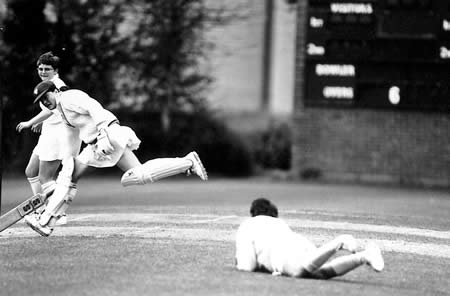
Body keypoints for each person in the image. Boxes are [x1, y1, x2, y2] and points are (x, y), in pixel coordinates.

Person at [23, 80, 208, 237]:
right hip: (94, 144)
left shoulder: (69, 97)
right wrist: (68, 158)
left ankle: (45, 219)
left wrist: (103, 133)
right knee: (76, 176)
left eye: (46, 97)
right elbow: (73, 135)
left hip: (108, 136)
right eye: (41, 101)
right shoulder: (60, 109)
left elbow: (94, 107)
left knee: (131, 176)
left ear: (55, 91)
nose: (45, 102)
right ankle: (48, 221)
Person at [235, 198, 384, 279]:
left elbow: (247, 266)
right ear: (273, 213)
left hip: (283, 254)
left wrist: (239, 262)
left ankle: (340, 241)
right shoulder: (279, 223)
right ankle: (365, 256)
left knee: (299, 271)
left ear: (253, 213)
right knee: (320, 273)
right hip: (300, 243)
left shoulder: (247, 225)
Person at [16, 52, 81, 224]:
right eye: (40, 68)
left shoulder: (58, 85)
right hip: (48, 134)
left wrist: (30, 122)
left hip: (58, 135)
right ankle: (44, 208)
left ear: (56, 70)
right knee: (31, 172)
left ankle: (56, 213)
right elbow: (50, 111)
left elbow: (50, 110)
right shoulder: (48, 83)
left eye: (47, 69)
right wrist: (42, 122)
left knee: (46, 178)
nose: (43, 72)